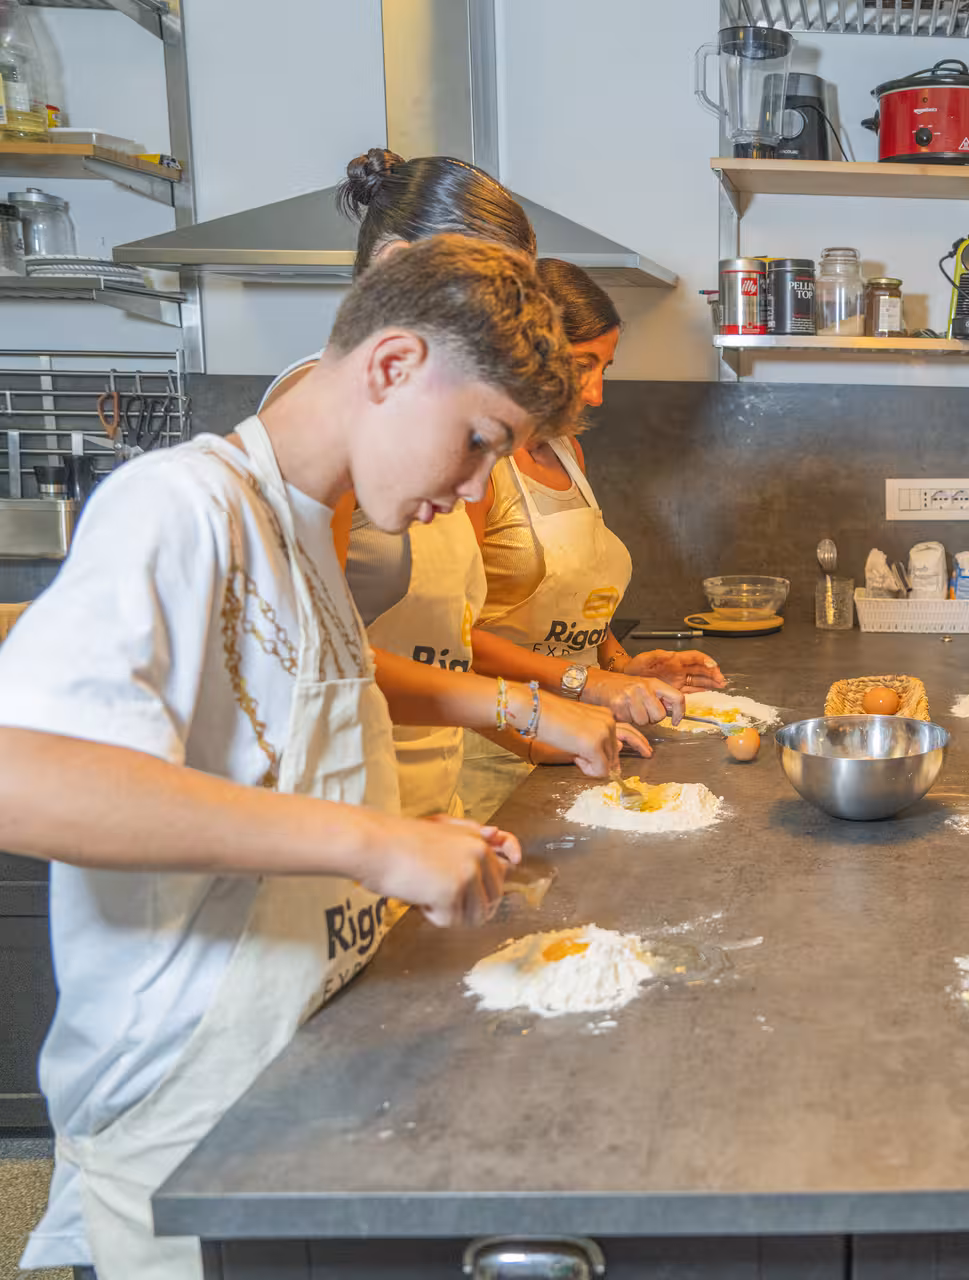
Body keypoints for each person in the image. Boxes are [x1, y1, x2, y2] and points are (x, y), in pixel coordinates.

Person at [0, 237, 591, 1279]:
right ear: (395, 364)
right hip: (183, 1106)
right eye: (477, 440)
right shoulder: (176, 504)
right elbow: (25, 776)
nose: (474, 486)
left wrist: (411, 836)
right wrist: (369, 842)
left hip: (295, 1071)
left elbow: (271, 756)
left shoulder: (303, 529)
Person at [261, 148, 645, 821]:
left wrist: (535, 718)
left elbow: (387, 657)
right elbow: (309, 673)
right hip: (345, 828)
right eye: (492, 306)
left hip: (419, 813)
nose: (474, 490)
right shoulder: (276, 457)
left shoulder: (400, 440)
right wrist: (532, 707)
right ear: (395, 275)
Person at [457, 260, 726, 821]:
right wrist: (588, 683)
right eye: (583, 366)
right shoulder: (474, 464)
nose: (598, 393)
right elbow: (452, 637)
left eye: (604, 366)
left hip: (586, 739)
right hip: (496, 748)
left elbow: (574, 594)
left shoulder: (566, 453)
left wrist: (622, 666)